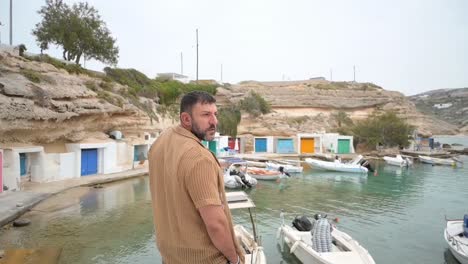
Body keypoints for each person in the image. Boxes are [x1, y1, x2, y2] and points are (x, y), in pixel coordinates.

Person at [148, 91, 244, 264]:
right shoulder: (199, 158)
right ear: (186, 119)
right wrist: (234, 259)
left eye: (215, 114)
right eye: (206, 115)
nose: (214, 121)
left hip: (171, 258)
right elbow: (216, 224)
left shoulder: (161, 141)